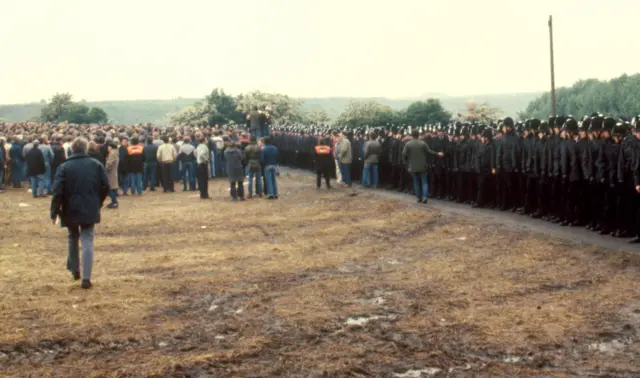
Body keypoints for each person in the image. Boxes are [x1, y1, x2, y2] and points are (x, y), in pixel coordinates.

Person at [50, 137, 110, 289]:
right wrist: (98, 202)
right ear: (85, 149)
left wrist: (54, 211)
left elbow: (57, 191)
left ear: (71, 150)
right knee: (87, 240)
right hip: (90, 206)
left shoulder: (64, 167)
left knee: (73, 237)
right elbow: (105, 185)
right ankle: (86, 277)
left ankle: (75, 270)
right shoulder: (96, 165)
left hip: (70, 207)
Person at [403, 130, 444, 204]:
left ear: (412, 135)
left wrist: (407, 163)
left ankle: (418, 198)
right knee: (424, 182)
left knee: (416, 182)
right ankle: (425, 196)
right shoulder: (423, 143)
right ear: (418, 135)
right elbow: (429, 151)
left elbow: (404, 154)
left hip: (413, 166)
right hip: (423, 165)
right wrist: (438, 154)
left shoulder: (408, 144)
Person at [195, 132, 210, 199]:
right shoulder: (204, 146)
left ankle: (202, 194)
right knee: (204, 180)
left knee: (200, 180)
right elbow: (201, 154)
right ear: (204, 140)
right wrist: (205, 159)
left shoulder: (198, 146)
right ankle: (205, 194)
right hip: (203, 164)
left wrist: (197, 158)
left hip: (198, 164)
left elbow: (195, 153)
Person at [105, 141, 119, 209]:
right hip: (113, 172)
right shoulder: (115, 152)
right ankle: (114, 201)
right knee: (112, 187)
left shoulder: (112, 153)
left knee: (110, 188)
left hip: (110, 173)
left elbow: (109, 163)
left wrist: (106, 169)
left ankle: (114, 202)